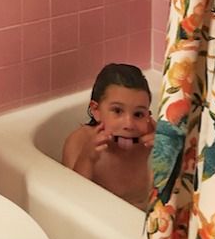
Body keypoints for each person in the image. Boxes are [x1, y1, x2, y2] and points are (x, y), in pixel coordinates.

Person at [61, 63, 155, 210]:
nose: (129, 124)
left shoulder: (150, 137)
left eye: (138, 114)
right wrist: (87, 158)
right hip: (99, 220)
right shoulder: (80, 142)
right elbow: (71, 200)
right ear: (96, 110)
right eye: (117, 111)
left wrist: (166, 151)